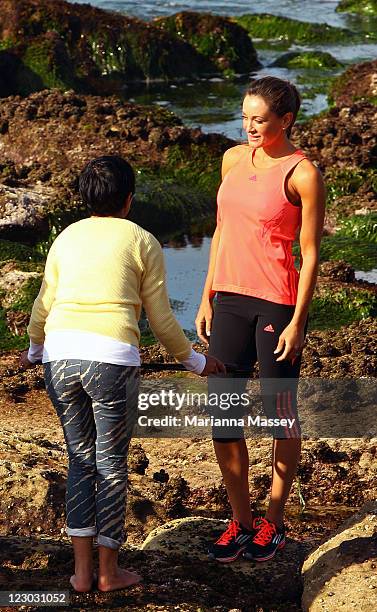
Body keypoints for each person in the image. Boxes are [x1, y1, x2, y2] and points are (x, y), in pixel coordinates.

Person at [20, 155, 225, 592]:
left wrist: (35, 350)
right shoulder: (141, 240)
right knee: (111, 466)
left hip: (60, 358)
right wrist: (196, 361)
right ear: (128, 200)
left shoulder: (66, 238)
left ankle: (80, 574)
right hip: (110, 359)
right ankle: (110, 573)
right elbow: (162, 318)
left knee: (79, 460)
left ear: (84, 197)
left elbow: (43, 303)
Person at [195, 76, 325, 563]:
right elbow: (221, 231)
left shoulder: (302, 173)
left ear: (285, 120)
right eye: (245, 117)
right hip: (228, 299)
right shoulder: (231, 159)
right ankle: (240, 520)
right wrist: (206, 296)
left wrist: (297, 320)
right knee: (224, 418)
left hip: (276, 304)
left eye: (260, 119)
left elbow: (310, 255)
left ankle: (275, 520)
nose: (249, 126)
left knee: (280, 416)